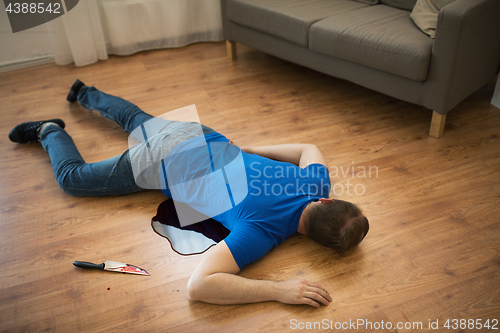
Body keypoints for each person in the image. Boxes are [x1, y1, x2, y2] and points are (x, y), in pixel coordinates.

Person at [9, 80, 369, 308]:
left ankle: (84, 92)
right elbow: (198, 288)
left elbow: (308, 147)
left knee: (136, 119)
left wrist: (250, 149)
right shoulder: (261, 231)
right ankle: (48, 130)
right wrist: (279, 290)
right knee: (74, 179)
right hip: (163, 160)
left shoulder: (316, 184)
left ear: (327, 201)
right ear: (319, 245)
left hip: (199, 135)